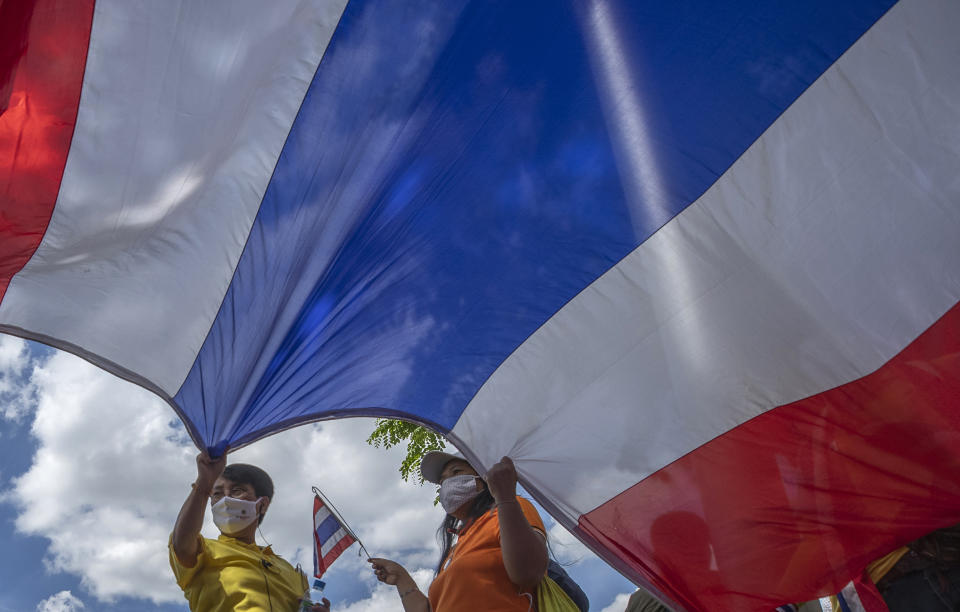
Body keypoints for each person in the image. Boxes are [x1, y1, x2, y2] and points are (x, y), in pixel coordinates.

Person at [369, 453, 548, 611]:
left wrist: (505, 498)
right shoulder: (454, 551)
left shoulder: (507, 509)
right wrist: (401, 578)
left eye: (456, 472)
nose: (448, 484)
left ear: (482, 478)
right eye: (442, 482)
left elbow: (530, 572)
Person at [170, 450, 331, 611]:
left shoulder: (292, 572)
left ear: (262, 505)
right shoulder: (203, 551)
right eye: (217, 494)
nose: (226, 499)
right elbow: (181, 543)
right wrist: (203, 485)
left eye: (237, 491)